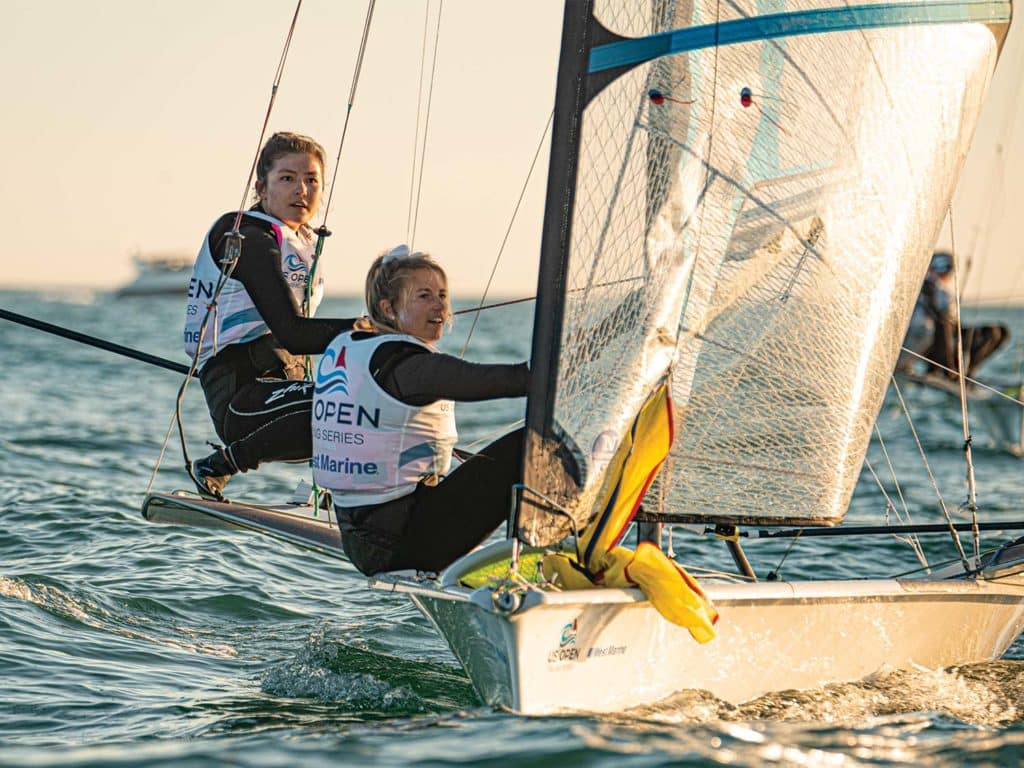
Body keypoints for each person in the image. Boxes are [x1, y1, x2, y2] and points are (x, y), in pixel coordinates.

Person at [311, 246, 538, 576]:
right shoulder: (410, 368)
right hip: (402, 542)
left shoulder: (356, 352)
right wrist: (577, 356)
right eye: (424, 296)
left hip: (360, 539)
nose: (440, 306)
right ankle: (548, 557)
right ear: (389, 309)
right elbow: (505, 381)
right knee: (533, 444)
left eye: (443, 295)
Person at [182, 132, 359, 499]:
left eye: (312, 180)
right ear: (262, 188)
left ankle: (350, 494)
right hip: (238, 395)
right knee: (344, 407)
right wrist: (371, 331)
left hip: (283, 385)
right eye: (287, 178)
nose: (302, 190)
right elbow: (294, 334)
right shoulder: (246, 238)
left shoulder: (303, 241)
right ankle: (219, 465)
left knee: (374, 400)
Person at [898, 250, 1009, 380]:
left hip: (949, 338)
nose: (946, 272)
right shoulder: (924, 285)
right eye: (940, 266)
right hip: (930, 341)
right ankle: (948, 372)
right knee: (943, 325)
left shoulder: (944, 291)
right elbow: (941, 322)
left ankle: (966, 373)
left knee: (998, 332)